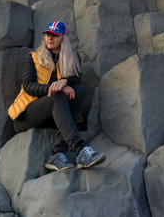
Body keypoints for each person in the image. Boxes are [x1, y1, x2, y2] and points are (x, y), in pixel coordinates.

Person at [8, 20, 105, 171]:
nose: (50, 38)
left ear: (63, 38)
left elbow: (76, 80)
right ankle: (79, 148)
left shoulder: (69, 60)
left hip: (53, 115)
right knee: (57, 96)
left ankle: (57, 154)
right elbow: (28, 86)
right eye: (47, 34)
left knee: (78, 89)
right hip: (26, 115)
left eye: (54, 35)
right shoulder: (33, 57)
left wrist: (65, 81)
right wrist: (54, 88)